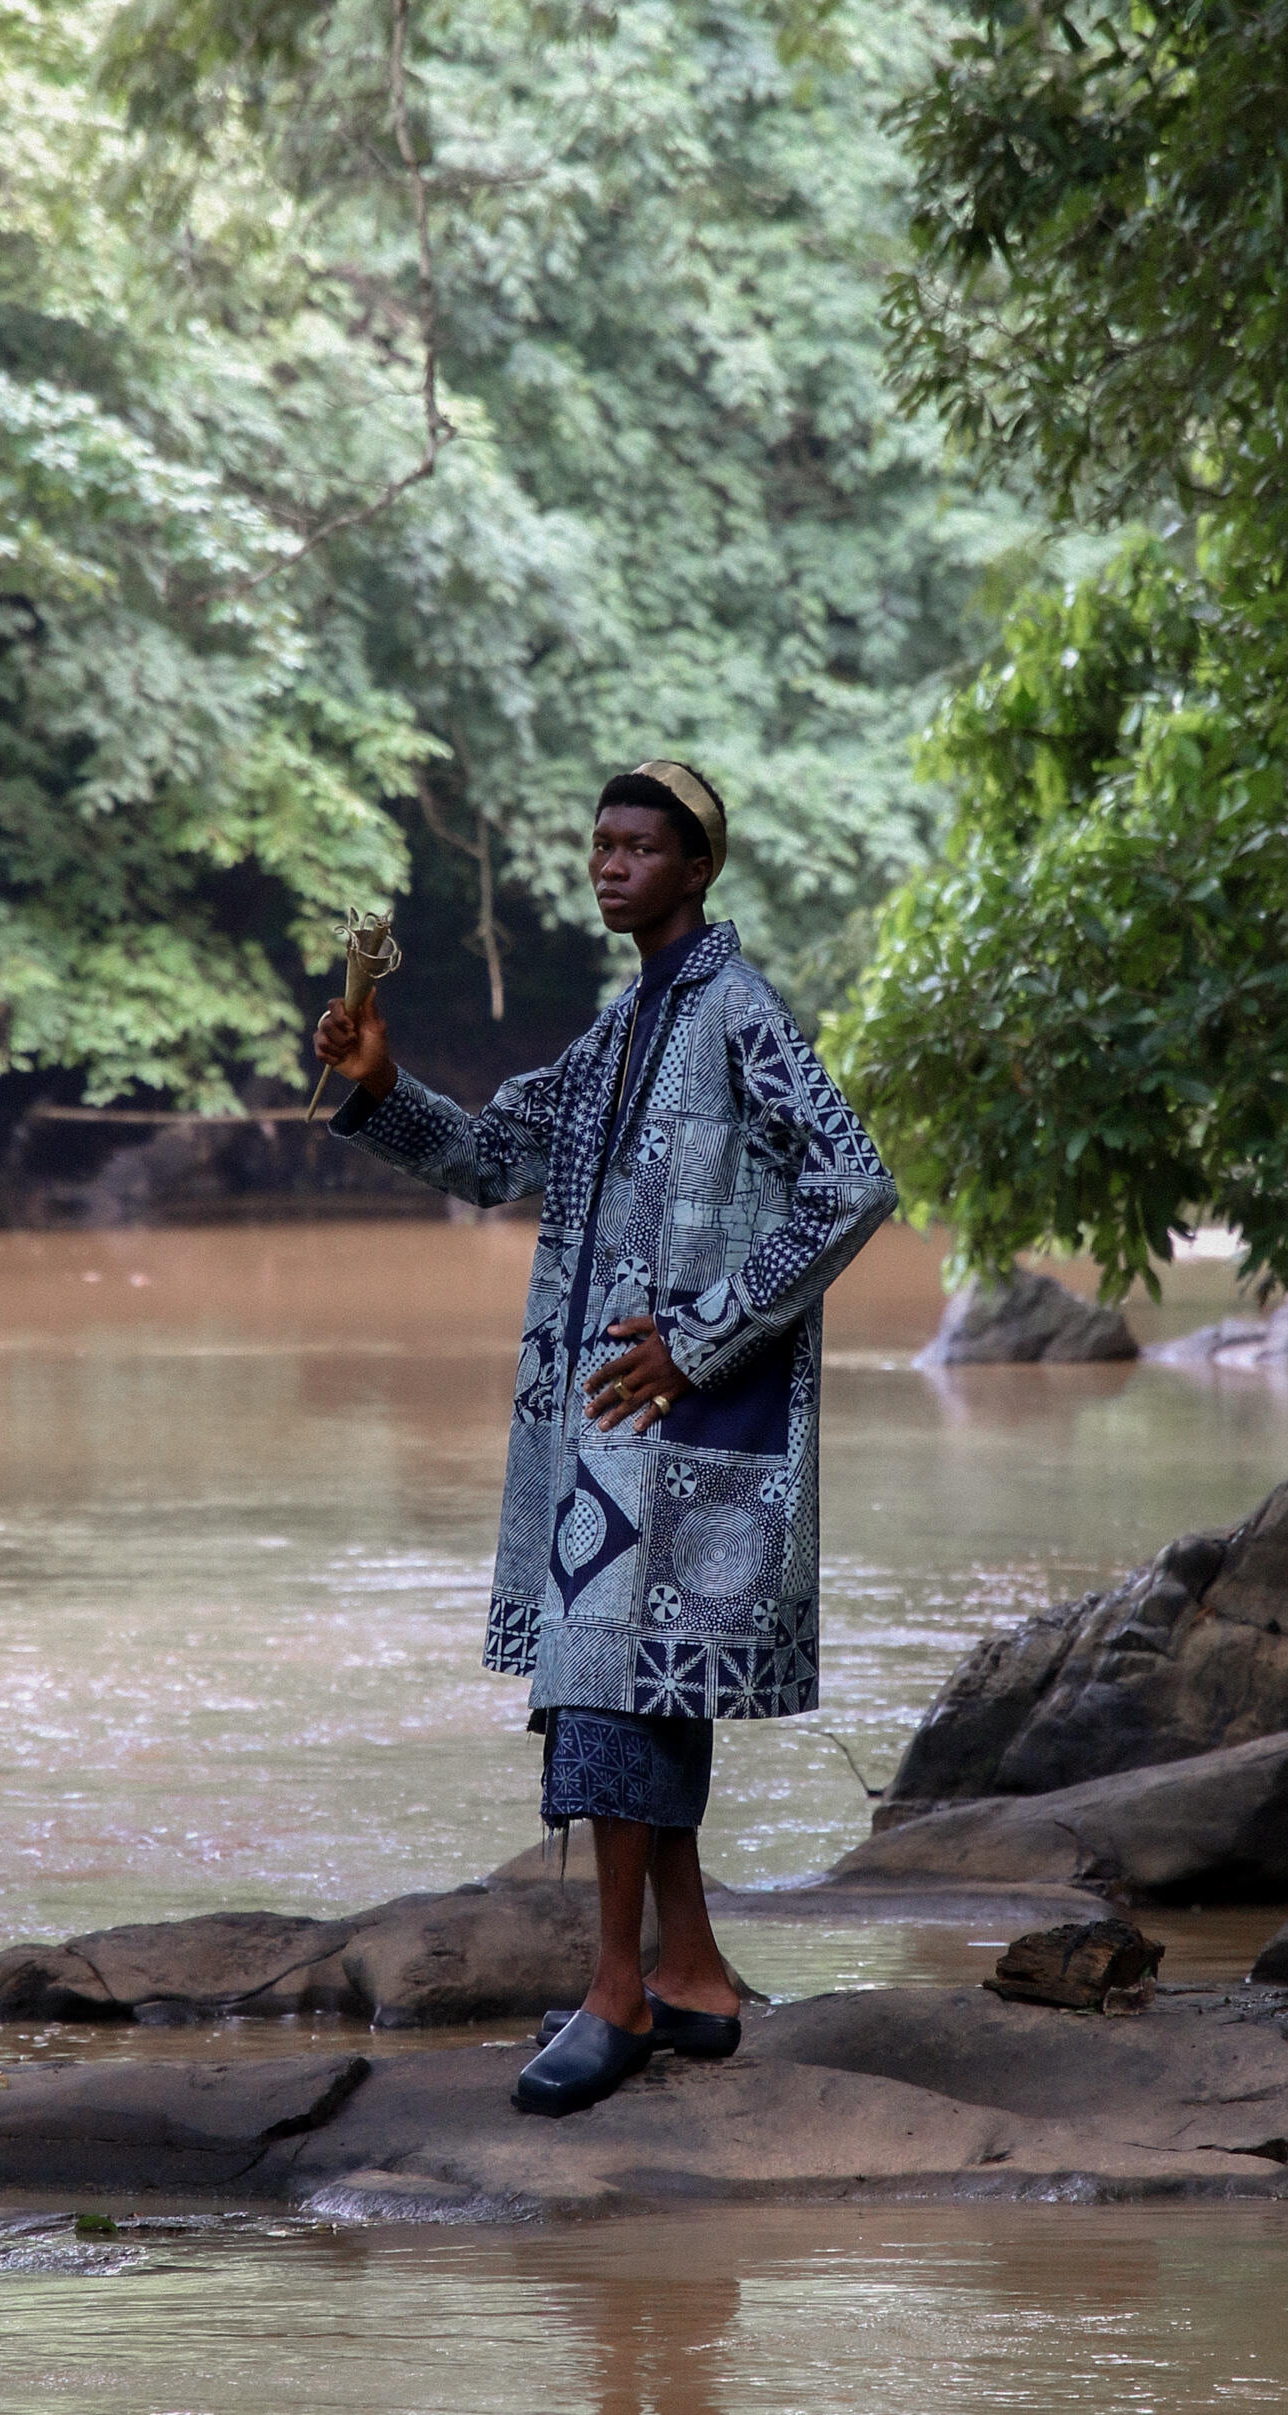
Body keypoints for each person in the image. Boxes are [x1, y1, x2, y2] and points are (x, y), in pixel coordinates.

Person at [313, 760, 896, 2115]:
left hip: (687, 1419)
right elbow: (485, 1157)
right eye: (600, 843)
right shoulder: (619, 1029)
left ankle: (615, 1993)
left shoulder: (742, 1014)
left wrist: (701, 1335)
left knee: (612, 1685)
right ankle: (688, 1972)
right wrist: (384, 1082)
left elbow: (854, 1184)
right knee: (626, 1686)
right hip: (612, 1430)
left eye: (642, 845)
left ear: (702, 869)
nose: (611, 863)